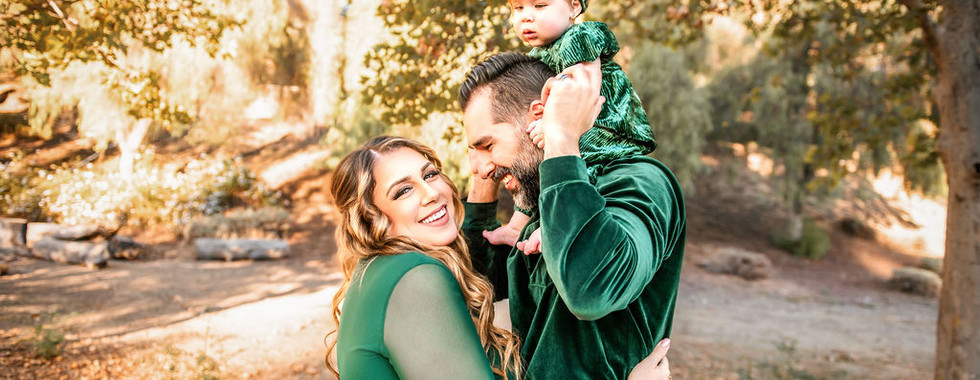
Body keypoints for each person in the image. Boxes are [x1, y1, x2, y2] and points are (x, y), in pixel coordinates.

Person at [324, 136, 672, 379]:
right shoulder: (415, 278)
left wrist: (483, 181)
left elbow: (474, 259)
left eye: (430, 174)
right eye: (403, 191)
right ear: (373, 220)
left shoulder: (379, 275)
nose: (433, 193)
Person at [459, 52, 685, 378]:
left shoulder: (641, 181)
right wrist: (482, 188)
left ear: (538, 116)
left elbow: (591, 290)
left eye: (487, 144)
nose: (480, 167)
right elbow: (479, 294)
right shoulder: (545, 209)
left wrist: (562, 136)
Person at [483, 0, 657, 254]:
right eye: (518, 8)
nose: (526, 17)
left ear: (574, 6)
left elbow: (580, 90)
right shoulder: (535, 58)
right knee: (530, 159)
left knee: (571, 160)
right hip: (568, 126)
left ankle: (559, 222)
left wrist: (553, 125)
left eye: (540, 6)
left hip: (606, 127)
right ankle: (518, 224)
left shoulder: (578, 37)